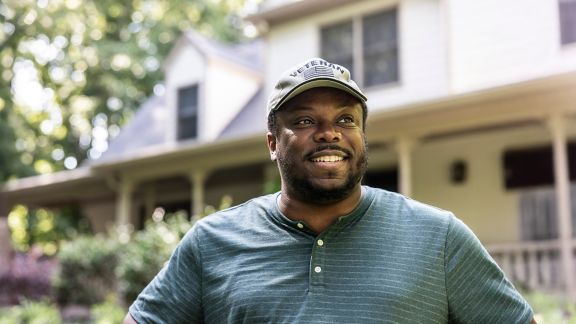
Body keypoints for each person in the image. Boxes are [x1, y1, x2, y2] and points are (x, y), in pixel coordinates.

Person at [124, 58, 536, 323]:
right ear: (272, 144)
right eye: (304, 121)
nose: (328, 134)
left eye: (346, 120)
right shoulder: (211, 243)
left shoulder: (439, 237)